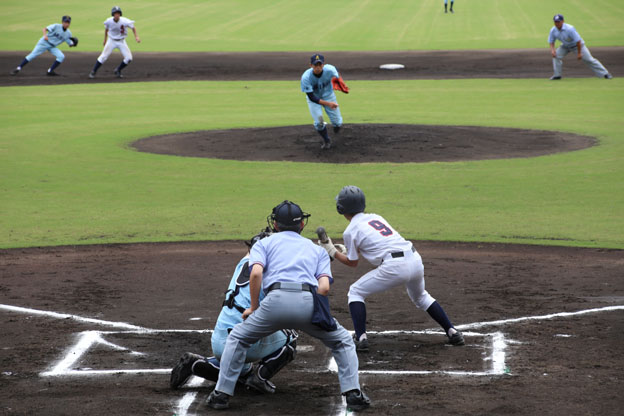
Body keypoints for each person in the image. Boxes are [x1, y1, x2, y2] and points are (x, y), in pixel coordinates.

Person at [206, 201, 370, 411]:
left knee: (238, 338)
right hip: (307, 303)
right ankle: (353, 393)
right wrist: (316, 310)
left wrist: (254, 308)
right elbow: (324, 288)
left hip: (273, 303)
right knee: (343, 341)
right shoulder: (316, 249)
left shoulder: (263, 244)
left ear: (275, 224)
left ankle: (221, 395)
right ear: (302, 224)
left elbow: (255, 274)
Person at [319, 186, 465, 352]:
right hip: (415, 259)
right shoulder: (376, 217)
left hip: (395, 267)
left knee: (355, 292)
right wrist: (343, 249)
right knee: (421, 296)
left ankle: (361, 338)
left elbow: (353, 262)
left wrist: (332, 251)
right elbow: (374, 242)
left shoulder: (350, 231)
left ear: (341, 208)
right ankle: (452, 332)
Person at [170, 229, 297, 394]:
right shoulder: (270, 272)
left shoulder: (243, 262)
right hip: (244, 342)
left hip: (218, 339)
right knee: (290, 336)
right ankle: (259, 379)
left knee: (241, 371)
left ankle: (196, 364)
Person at [548, 14, 612, 80]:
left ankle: (605, 74)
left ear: (563, 21)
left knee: (589, 59)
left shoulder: (570, 29)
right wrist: (552, 50)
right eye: (555, 22)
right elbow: (551, 41)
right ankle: (557, 75)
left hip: (577, 46)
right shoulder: (553, 30)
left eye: (558, 22)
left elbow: (578, 41)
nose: (557, 23)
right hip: (565, 46)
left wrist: (579, 53)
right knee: (556, 56)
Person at [301, 54, 344, 150]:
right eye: (315, 65)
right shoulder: (306, 78)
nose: (318, 67)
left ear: (323, 65)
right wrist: (329, 104)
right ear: (311, 65)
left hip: (329, 96)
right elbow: (311, 97)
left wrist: (340, 82)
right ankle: (326, 140)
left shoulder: (330, 69)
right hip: (314, 100)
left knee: (337, 123)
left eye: (320, 65)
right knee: (319, 122)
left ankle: (336, 126)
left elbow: (336, 73)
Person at [10, 16, 77, 76]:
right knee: (33, 55)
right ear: (62, 22)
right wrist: (45, 36)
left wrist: (74, 44)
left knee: (61, 56)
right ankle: (18, 68)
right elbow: (45, 29)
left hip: (52, 47)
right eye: (65, 22)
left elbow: (70, 44)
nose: (67, 24)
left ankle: (50, 71)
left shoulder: (68, 33)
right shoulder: (56, 26)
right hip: (44, 43)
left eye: (68, 23)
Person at [89, 6, 141, 79]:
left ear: (120, 14)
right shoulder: (108, 21)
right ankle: (93, 71)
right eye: (115, 13)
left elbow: (133, 27)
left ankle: (118, 70)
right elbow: (106, 30)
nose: (117, 15)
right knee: (103, 56)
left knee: (129, 58)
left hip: (122, 41)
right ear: (113, 14)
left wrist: (136, 37)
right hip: (111, 41)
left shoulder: (125, 21)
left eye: (118, 13)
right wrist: (105, 40)